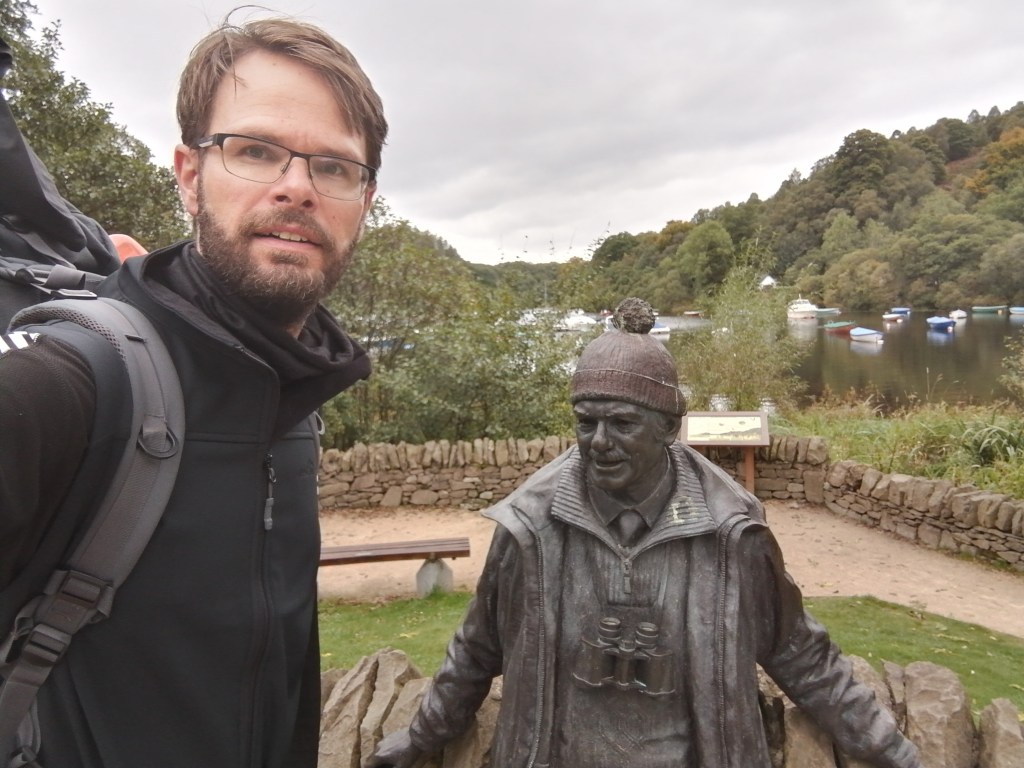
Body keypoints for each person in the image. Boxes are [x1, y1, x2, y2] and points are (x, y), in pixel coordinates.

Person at [0, 14, 386, 768]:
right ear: (188, 174)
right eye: (255, 151)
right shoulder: (67, 384)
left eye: (335, 167)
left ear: (364, 201)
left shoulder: (295, 405)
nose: (297, 188)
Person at [370, 298, 922, 768]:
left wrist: (890, 749)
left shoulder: (731, 533)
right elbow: (478, 646)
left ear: (668, 427)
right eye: (586, 422)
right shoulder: (530, 527)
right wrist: (423, 736)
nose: (599, 441)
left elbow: (798, 651)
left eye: (622, 423)